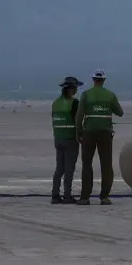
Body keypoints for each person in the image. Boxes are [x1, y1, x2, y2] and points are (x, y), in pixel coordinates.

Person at [76, 69, 124, 206]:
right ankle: (104, 197)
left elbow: (79, 116)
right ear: (104, 80)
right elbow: (120, 112)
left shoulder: (86, 94)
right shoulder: (110, 95)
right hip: (105, 133)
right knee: (106, 165)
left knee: (86, 165)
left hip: (88, 133)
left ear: (93, 80)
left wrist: (78, 132)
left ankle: (85, 197)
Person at [51, 76, 82, 204]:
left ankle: (55, 195)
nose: (76, 90)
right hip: (70, 139)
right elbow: (79, 120)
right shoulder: (74, 103)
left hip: (58, 139)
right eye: (75, 88)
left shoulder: (55, 103)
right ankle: (67, 196)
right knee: (69, 170)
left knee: (59, 169)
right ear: (71, 89)